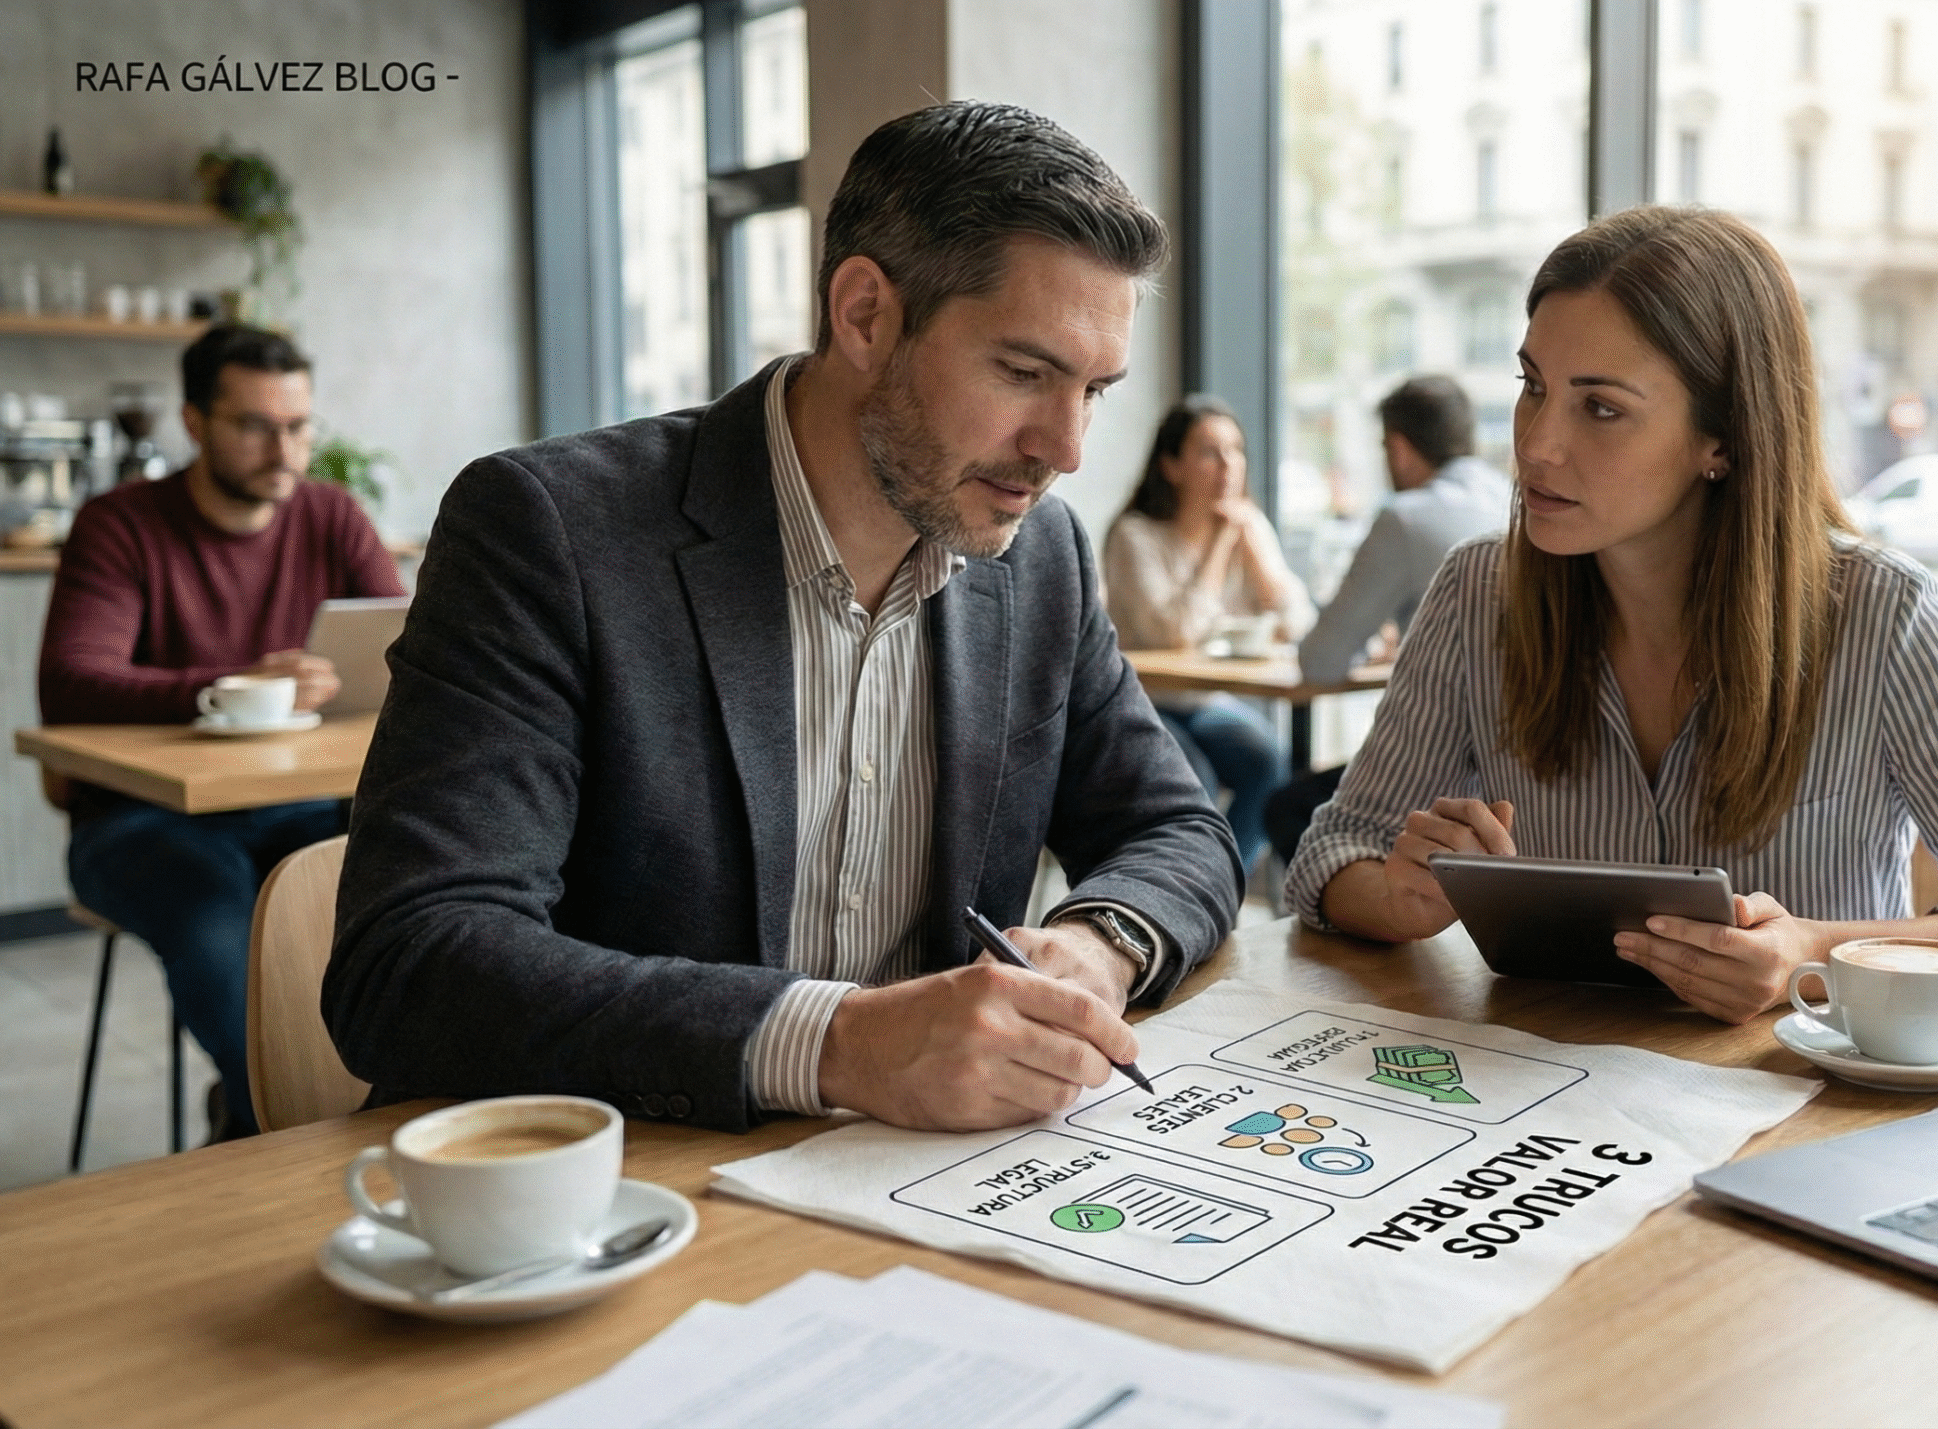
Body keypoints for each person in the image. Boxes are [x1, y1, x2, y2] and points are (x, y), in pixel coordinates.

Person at [327, 102, 1240, 1135]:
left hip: (907, 1176)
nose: (1065, 449)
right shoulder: (550, 531)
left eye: (1095, 391)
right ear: (865, 315)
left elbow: (1177, 828)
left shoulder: (1041, 561)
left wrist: (1098, 943)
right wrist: (837, 1043)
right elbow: (410, 959)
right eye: (1024, 373)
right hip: (615, 1172)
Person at [1285, 207, 1938, 1019]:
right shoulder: (1479, 593)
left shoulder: (1881, 613)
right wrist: (1396, 897)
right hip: (1542, 1086)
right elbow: (1332, 851)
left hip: (1794, 1097)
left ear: (1721, 438)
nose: (1537, 443)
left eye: (1601, 407)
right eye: (1532, 387)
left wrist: (1814, 953)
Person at [40, 323, 403, 1139]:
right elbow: (70, 681)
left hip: (308, 806)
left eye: (299, 426)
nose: (284, 450)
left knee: (411, 907)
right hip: (143, 820)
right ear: (195, 422)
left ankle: (263, 1127)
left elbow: (404, 644)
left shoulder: (331, 515)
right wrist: (239, 686)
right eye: (256, 426)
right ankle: (295, 1142)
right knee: (216, 931)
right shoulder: (121, 524)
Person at [1267, 377, 1511, 863]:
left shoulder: (1407, 518)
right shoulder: (1514, 499)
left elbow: (1320, 663)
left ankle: (1365, 907)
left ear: (1398, 449)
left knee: (1288, 809)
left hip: (1450, 779)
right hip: (1519, 780)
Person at [1103, 396, 1313, 877]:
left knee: (1268, 765)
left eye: (1235, 451)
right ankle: (1194, 889)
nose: (1228, 466)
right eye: (1209, 452)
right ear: (1171, 466)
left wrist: (1255, 556)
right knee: (1193, 779)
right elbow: (1175, 634)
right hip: (1142, 701)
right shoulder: (1135, 536)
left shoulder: (1247, 527)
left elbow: (1299, 624)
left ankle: (1217, 885)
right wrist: (1220, 545)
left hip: (1206, 701)